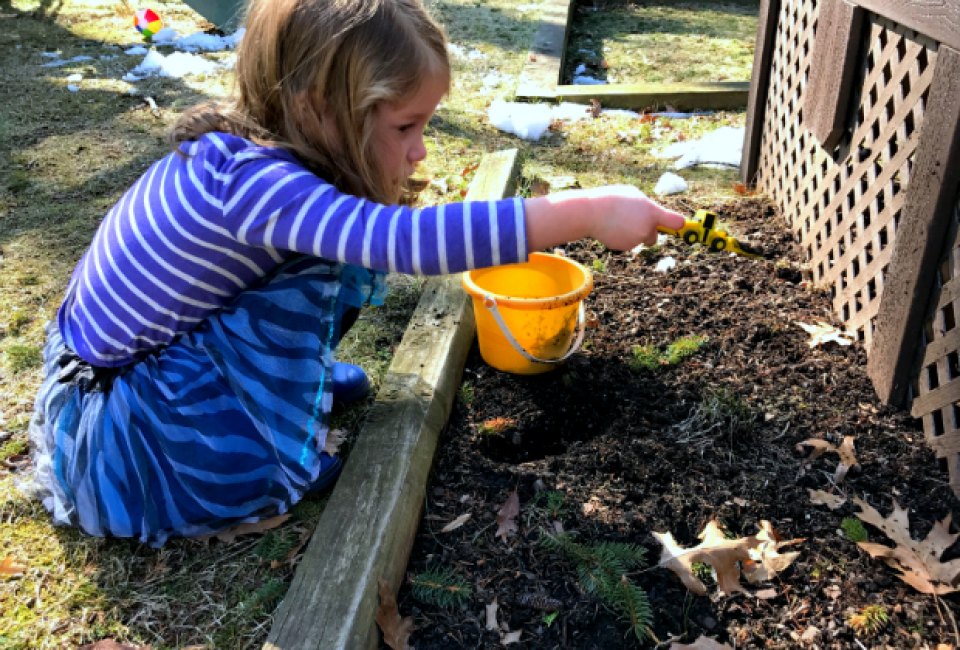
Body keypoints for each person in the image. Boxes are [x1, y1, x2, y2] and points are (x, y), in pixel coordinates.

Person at [26, 0, 684, 546]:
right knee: (328, 262)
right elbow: (407, 245)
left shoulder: (255, 158)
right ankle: (254, 459)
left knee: (327, 256)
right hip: (123, 430)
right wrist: (588, 210)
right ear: (319, 108)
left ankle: (280, 398)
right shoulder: (258, 187)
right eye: (405, 126)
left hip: (141, 374)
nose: (421, 148)